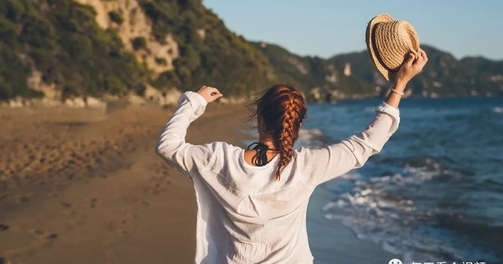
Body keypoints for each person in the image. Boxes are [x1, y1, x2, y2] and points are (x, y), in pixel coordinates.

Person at [155, 49, 428, 263]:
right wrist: (399, 84)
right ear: (297, 124)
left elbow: (168, 146)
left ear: (259, 116)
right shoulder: (306, 167)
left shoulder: (218, 159)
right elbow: (366, 144)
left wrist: (195, 101)